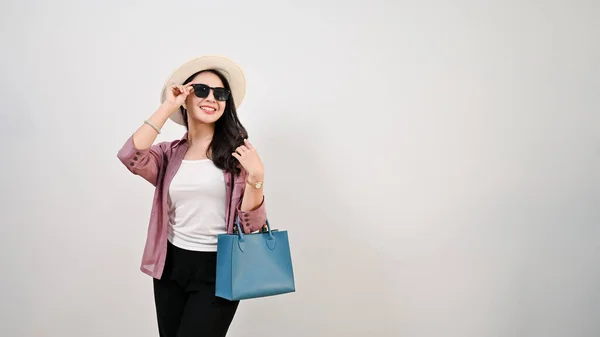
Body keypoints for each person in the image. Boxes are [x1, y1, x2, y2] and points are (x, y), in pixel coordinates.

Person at [117, 56, 267, 337]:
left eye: (220, 94)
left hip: (219, 271)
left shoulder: (237, 154)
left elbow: (251, 226)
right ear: (186, 96)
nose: (212, 98)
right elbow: (130, 156)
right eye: (201, 90)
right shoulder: (168, 154)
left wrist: (256, 179)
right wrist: (168, 106)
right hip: (170, 266)